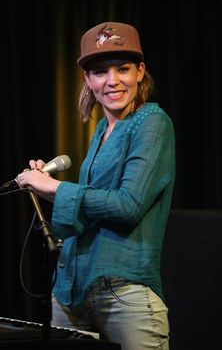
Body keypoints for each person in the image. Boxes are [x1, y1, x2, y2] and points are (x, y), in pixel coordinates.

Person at [16, 21, 175, 350]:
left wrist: (55, 189)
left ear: (140, 72)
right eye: (100, 71)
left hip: (124, 295)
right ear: (88, 79)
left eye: (123, 69)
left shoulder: (152, 122)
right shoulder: (101, 130)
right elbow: (86, 215)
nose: (112, 81)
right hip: (72, 294)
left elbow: (128, 205)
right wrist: (44, 188)